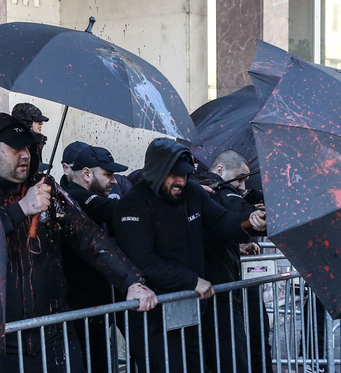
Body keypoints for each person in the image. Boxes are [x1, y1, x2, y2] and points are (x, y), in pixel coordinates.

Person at [0, 113, 157, 373]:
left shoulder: (46, 187)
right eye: (15, 148)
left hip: (55, 337)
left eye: (27, 147)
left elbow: (87, 234)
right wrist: (19, 210)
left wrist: (131, 281)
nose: (25, 154)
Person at [113, 138, 267, 373]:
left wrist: (250, 224)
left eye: (185, 175)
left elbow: (221, 220)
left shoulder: (191, 190)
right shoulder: (132, 205)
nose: (181, 181)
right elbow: (143, 261)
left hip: (190, 311)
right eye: (175, 175)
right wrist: (192, 281)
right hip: (153, 318)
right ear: (157, 171)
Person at [194, 149, 273, 373]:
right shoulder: (213, 189)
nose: (242, 186)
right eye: (240, 178)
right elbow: (230, 212)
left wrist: (240, 243)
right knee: (230, 354)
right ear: (220, 169)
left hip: (221, 284)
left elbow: (218, 227)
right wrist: (252, 219)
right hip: (216, 289)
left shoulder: (210, 191)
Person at [61, 144, 133, 373]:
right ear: (85, 173)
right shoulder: (73, 197)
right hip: (82, 304)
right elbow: (111, 209)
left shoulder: (90, 197)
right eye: (108, 175)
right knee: (94, 362)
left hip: (103, 300)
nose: (114, 181)